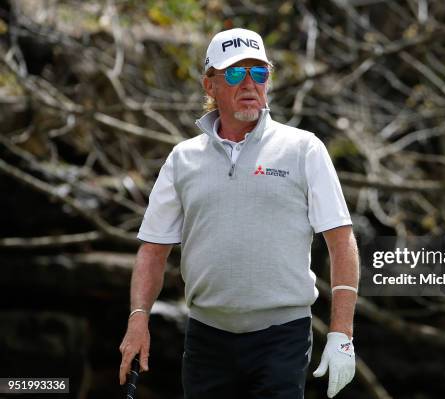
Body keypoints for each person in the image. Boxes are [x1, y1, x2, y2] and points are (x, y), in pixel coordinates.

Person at [118, 28, 359, 399]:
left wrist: (342, 334)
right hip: (206, 339)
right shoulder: (183, 159)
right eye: (234, 73)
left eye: (258, 73)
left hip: (283, 337)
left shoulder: (303, 149)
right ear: (210, 85)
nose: (249, 83)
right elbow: (153, 250)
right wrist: (138, 320)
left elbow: (341, 241)